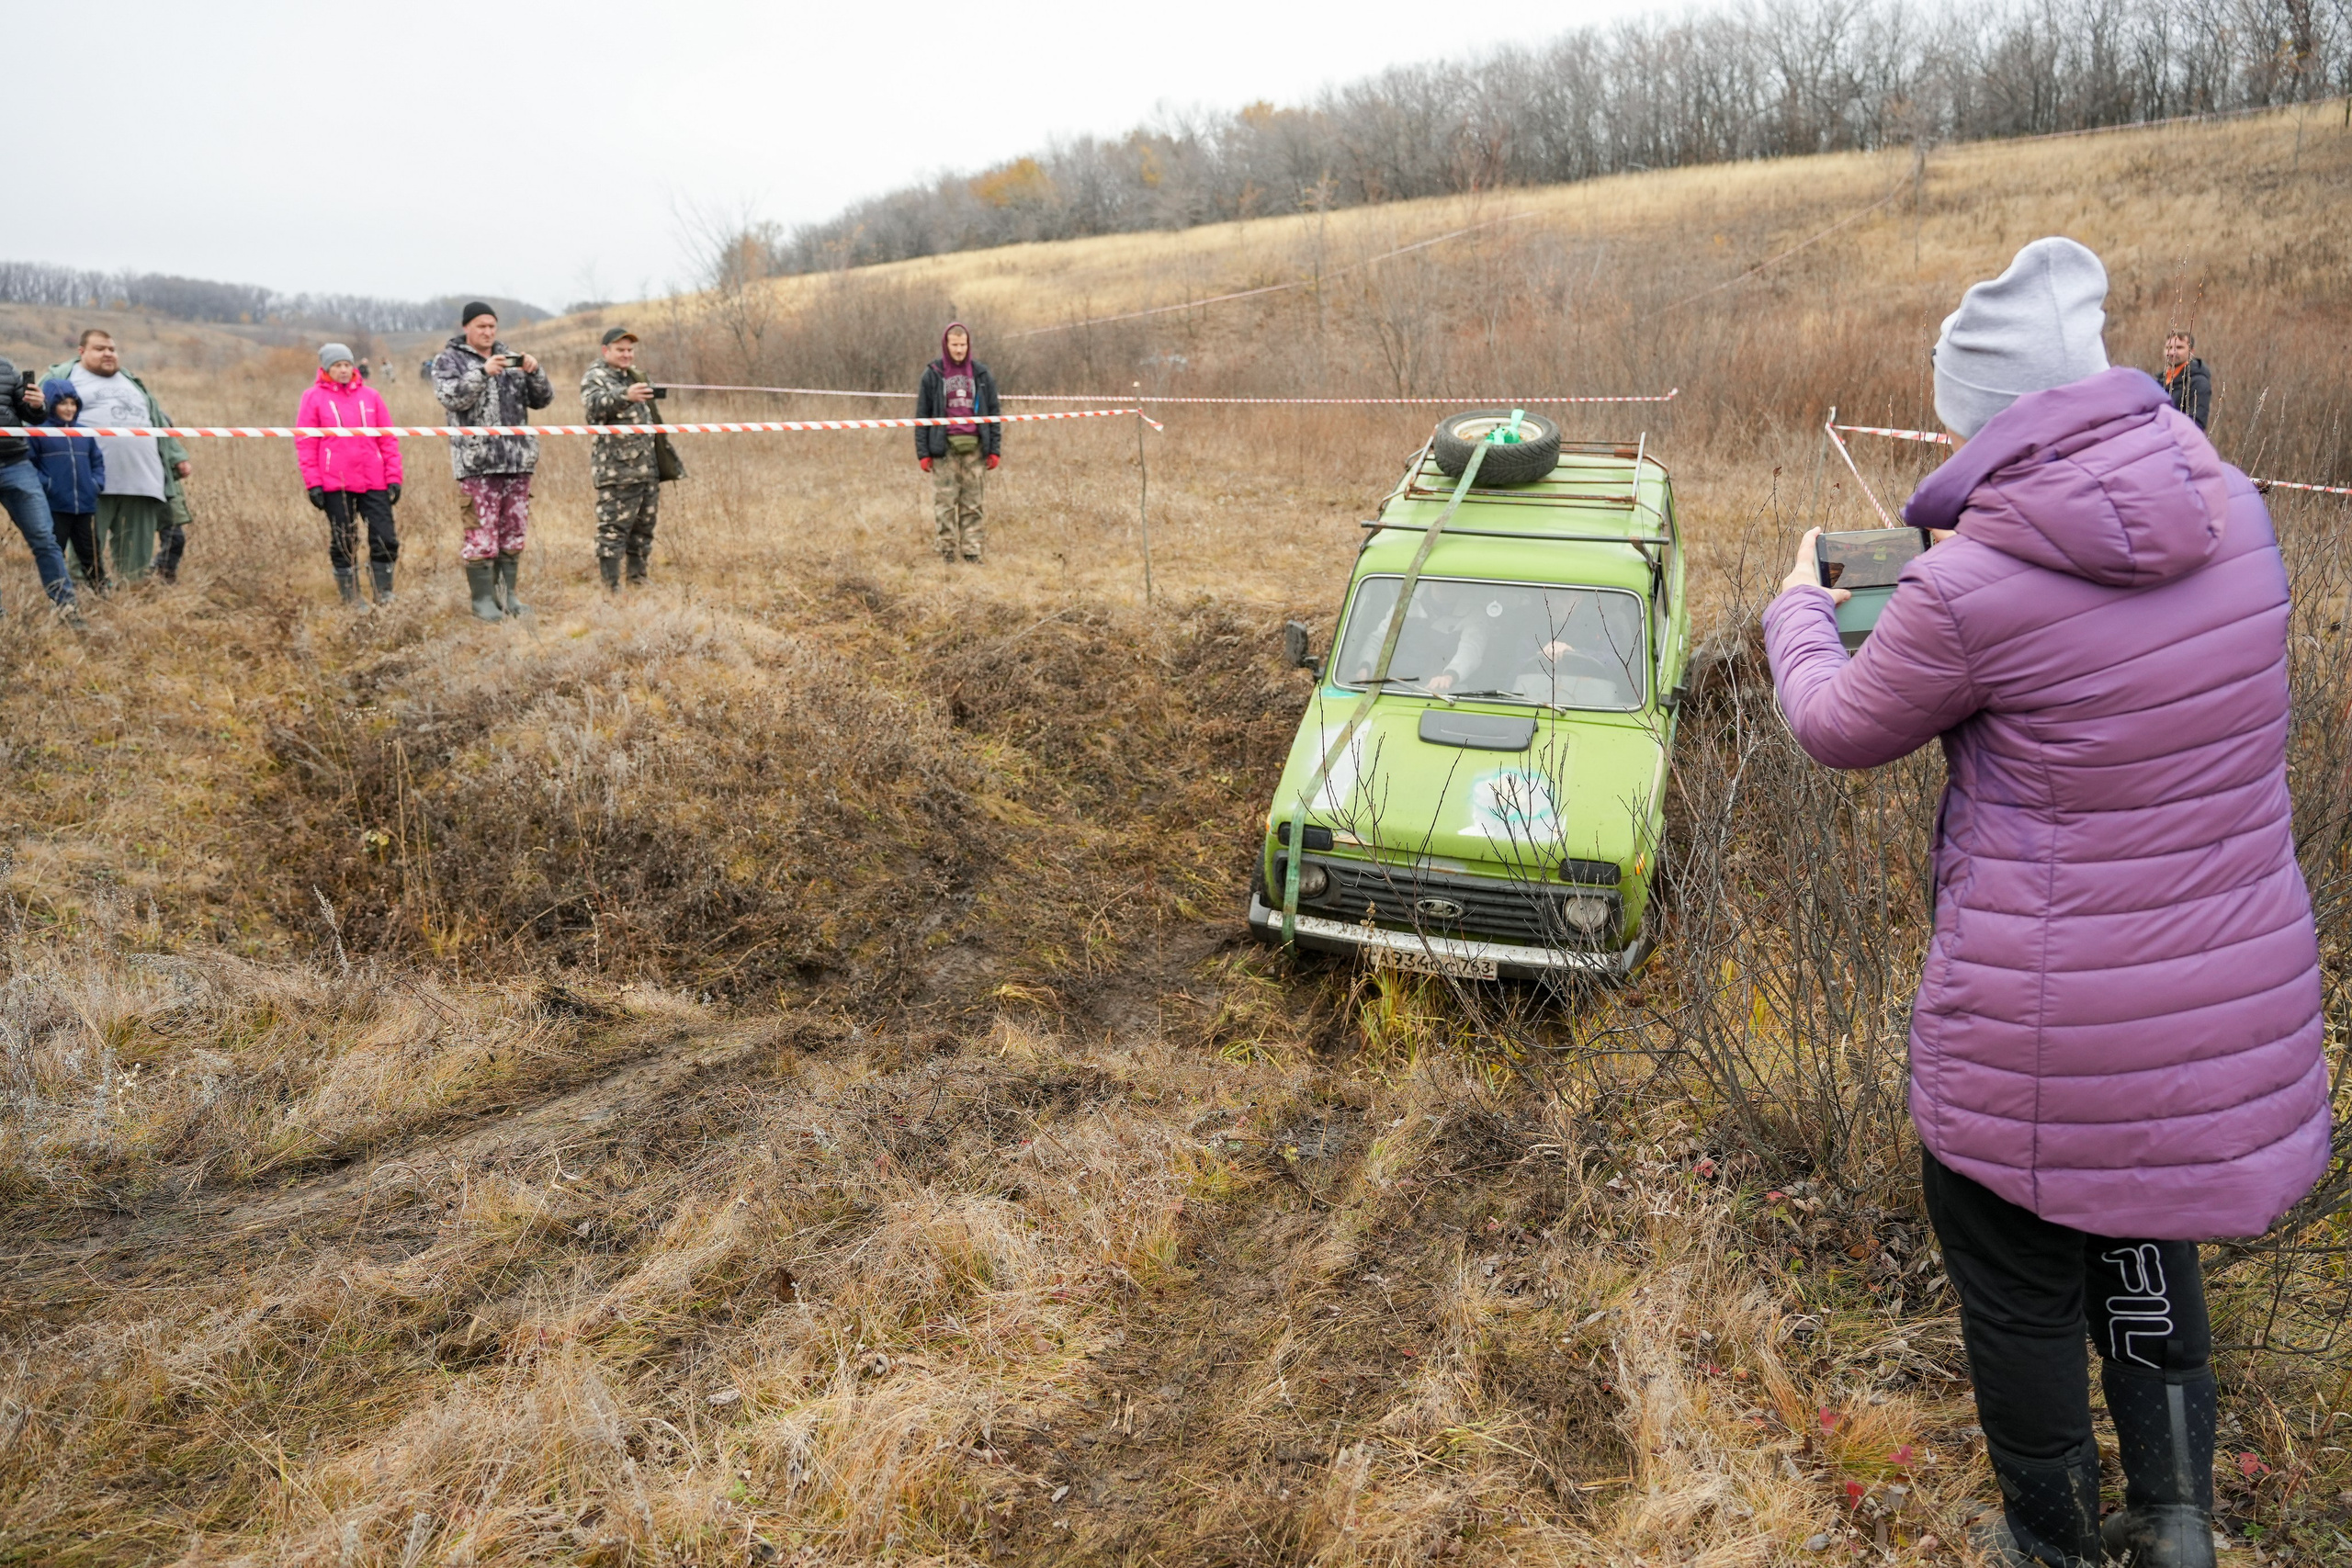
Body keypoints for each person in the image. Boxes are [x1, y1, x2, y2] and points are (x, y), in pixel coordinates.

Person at [1763, 237, 2325, 1568]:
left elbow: (1839, 725)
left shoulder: (1965, 588)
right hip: (2220, 996)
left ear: (1997, 416)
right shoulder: (2237, 507)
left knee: (2014, 1268)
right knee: (2137, 1216)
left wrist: (1799, 605)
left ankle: (2053, 1541)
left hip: (2046, 1020)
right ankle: (2178, 1515)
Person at [431, 301, 551, 621]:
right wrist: (482, 373)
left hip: (517, 459)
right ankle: (483, 601)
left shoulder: (510, 358)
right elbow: (452, 397)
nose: (487, 332)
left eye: (492, 326)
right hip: (477, 462)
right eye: (481, 326)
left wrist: (535, 371)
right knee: (481, 535)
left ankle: (508, 595)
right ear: (466, 327)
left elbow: (543, 399)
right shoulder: (449, 359)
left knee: (513, 531)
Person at [44, 331, 191, 584]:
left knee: (136, 554)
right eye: (100, 349)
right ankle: (85, 592)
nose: (108, 354)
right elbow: (37, 418)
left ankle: (130, 596)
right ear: (81, 352)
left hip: (143, 479)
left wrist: (177, 456)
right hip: (91, 479)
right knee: (86, 546)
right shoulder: (63, 378)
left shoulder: (131, 381)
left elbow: (157, 421)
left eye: (112, 349)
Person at [296, 344, 403, 605]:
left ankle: (384, 593)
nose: (343, 370)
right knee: (345, 539)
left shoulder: (371, 396)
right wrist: (314, 483)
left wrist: (394, 477)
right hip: (336, 482)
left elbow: (387, 439)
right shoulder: (313, 397)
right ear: (326, 369)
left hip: (373, 479)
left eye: (346, 365)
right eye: (337, 366)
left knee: (385, 537)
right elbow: (306, 443)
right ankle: (352, 596)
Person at [581, 326, 675, 589]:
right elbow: (593, 407)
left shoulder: (633, 375)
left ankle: (638, 579)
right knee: (613, 529)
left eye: (630, 350)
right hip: (616, 470)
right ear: (605, 351)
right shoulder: (596, 376)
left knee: (644, 528)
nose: (626, 355)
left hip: (647, 467)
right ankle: (611, 587)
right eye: (620, 350)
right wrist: (626, 395)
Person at [913, 321, 1000, 563]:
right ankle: (947, 552)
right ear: (946, 345)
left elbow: (995, 413)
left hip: (976, 448)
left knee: (973, 503)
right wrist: (923, 453)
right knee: (946, 503)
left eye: (963, 345)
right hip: (944, 449)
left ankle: (972, 551)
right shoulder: (933, 374)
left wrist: (994, 449)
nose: (959, 350)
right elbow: (922, 416)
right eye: (955, 345)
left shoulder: (981, 374)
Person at [0, 361, 78, 618]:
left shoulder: (7, 369)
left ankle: (67, 609)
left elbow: (35, 416)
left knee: (45, 538)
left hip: (15, 464)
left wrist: (36, 405)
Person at [31, 378, 105, 592]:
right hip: (55, 506)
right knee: (55, 551)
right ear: (51, 404)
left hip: (85, 505)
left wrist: (95, 485)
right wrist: (48, 486)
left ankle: (101, 592)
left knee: (91, 553)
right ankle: (57, 592)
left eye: (73, 403)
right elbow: (29, 465)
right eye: (64, 403)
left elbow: (97, 463)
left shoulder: (84, 433)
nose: (70, 408)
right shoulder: (37, 432)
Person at [2160, 330, 2211, 430]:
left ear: (2191, 351)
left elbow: (2197, 423)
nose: (2172, 352)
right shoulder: (2159, 380)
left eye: (2179, 347)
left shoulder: (2198, 382)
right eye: (2168, 348)